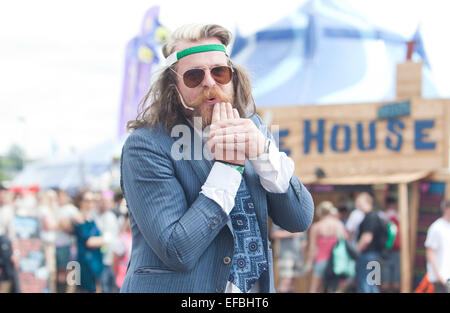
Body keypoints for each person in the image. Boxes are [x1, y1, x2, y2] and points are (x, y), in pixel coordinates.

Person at [120, 23, 314, 293]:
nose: (209, 82)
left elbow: (299, 218)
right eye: (193, 76)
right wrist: (227, 167)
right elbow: (177, 250)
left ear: (233, 77)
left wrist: (262, 153)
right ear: (173, 87)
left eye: (219, 72)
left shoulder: (251, 127)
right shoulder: (146, 145)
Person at [306, 201, 347, 293]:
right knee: (334, 288)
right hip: (336, 261)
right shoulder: (339, 225)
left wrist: (309, 263)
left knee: (315, 288)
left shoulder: (317, 226)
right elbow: (345, 241)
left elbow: (313, 248)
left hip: (321, 260)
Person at [71, 191, 104, 293]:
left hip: (95, 259)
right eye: (88, 200)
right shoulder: (78, 218)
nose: (91, 203)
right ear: (81, 202)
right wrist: (106, 239)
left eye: (92, 200)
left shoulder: (91, 218)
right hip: (85, 261)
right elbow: (89, 241)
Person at [355, 192, 384, 293]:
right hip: (374, 255)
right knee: (372, 283)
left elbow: (367, 238)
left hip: (368, 255)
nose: (357, 204)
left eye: (359, 202)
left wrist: (356, 251)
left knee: (365, 283)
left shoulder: (370, 217)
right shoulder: (375, 216)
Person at [92, 190, 120, 293]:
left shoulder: (111, 217)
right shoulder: (93, 214)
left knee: (108, 287)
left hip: (109, 259)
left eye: (107, 201)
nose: (104, 203)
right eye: (102, 200)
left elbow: (107, 239)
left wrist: (91, 241)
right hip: (97, 258)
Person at [270, 223, 307, 293]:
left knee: (293, 281)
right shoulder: (280, 219)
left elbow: (304, 241)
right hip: (286, 255)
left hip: (298, 256)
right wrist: (291, 233)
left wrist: (303, 256)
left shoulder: (301, 220)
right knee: (286, 280)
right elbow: (273, 233)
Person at [54, 189, 79, 293]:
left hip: (68, 245)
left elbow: (77, 228)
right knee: (59, 272)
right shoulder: (55, 208)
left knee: (71, 271)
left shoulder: (71, 209)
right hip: (56, 245)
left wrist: (66, 226)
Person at [424, 198, 450, 293]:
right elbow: (430, 253)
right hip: (442, 277)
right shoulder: (436, 227)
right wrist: (438, 275)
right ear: (447, 209)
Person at [37, 189, 59, 293]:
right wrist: (61, 225)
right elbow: (48, 226)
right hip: (46, 244)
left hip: (50, 243)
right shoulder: (44, 209)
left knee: (51, 270)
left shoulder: (49, 209)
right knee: (49, 270)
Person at [0, 185, 19, 293]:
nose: (2, 196)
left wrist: (15, 253)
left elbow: (12, 234)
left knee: (8, 274)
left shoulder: (8, 210)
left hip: (4, 245)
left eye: (4, 193)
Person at [380, 197, 400, 293]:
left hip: (385, 250)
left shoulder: (382, 216)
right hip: (397, 249)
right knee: (396, 275)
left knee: (385, 275)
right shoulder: (399, 216)